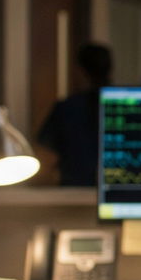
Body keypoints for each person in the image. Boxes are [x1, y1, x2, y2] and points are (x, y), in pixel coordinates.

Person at [36, 42, 112, 187]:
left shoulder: (67, 109)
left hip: (73, 196)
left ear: (80, 71)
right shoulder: (122, 107)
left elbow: (45, 160)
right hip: (115, 194)